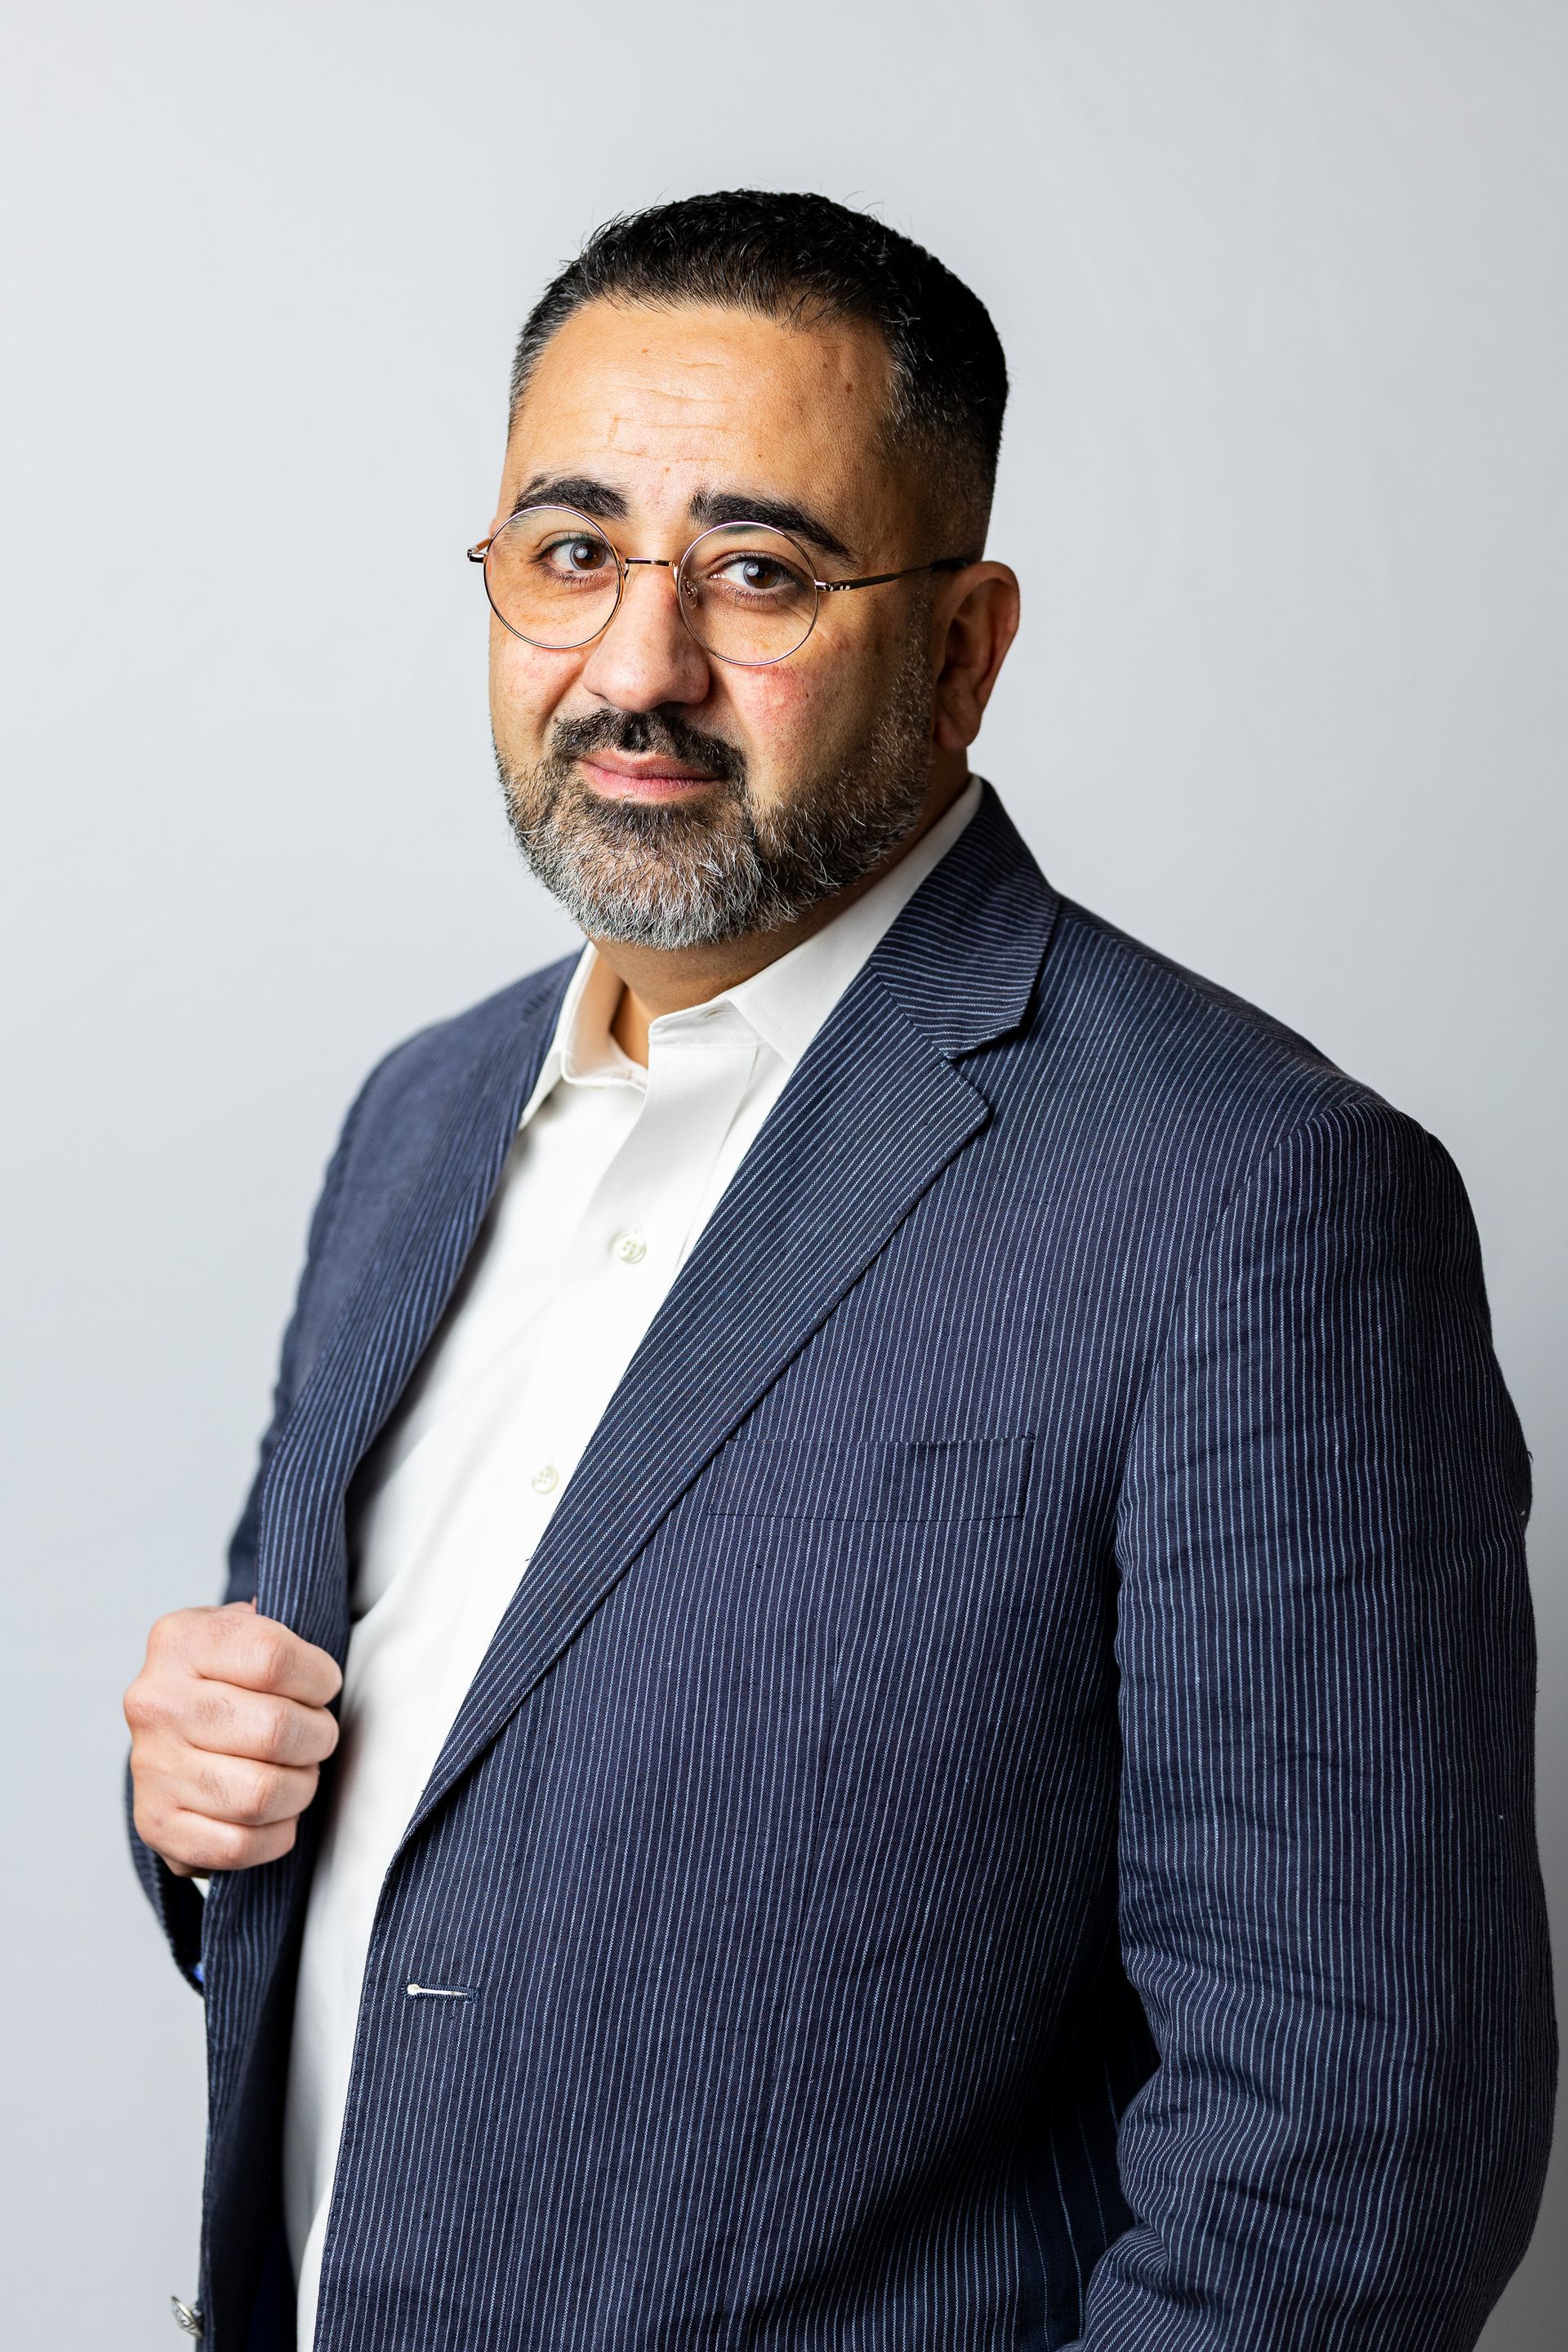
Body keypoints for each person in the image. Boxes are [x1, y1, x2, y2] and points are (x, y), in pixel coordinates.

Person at [124, 190, 1554, 2352]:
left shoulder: (1255, 1205)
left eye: (762, 574)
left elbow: (1346, 2176)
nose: (637, 667)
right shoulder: (417, 1121)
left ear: (966, 648)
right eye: (572, 552)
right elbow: (418, 1831)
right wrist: (199, 1810)